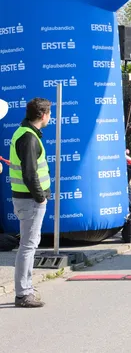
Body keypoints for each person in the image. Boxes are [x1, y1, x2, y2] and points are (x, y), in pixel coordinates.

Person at [9, 98, 52, 308]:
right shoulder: (29, 137)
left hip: (25, 198)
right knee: (28, 245)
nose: (50, 118)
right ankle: (24, 293)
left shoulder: (24, 133)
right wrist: (40, 196)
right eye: (49, 113)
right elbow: (29, 173)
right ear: (43, 115)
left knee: (28, 244)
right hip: (30, 200)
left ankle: (25, 289)